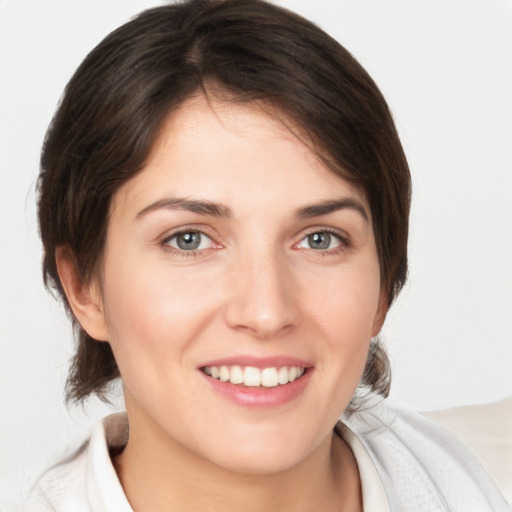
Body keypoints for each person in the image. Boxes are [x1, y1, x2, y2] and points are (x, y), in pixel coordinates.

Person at [24, 0, 510, 510]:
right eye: (188, 239)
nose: (266, 312)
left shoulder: (468, 484)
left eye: (320, 239)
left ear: (384, 285)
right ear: (86, 288)